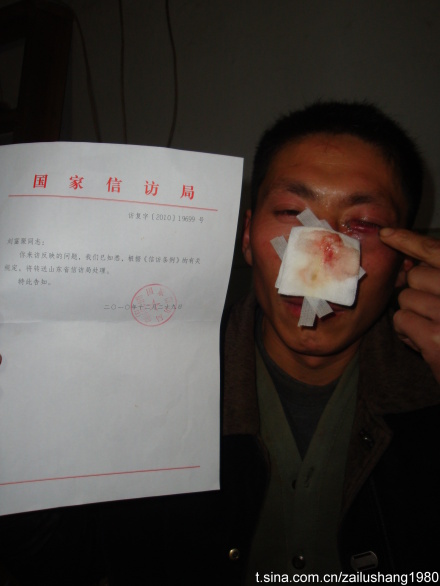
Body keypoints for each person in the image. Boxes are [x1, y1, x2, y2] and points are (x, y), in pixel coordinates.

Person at [2, 101, 440, 584]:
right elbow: (55, 561)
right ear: (248, 236)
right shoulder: (145, 381)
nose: (320, 258)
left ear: (404, 260)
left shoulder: (431, 387)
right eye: (292, 212)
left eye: (362, 225)